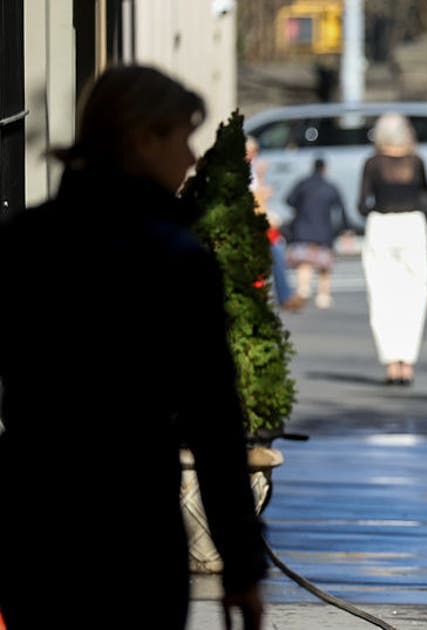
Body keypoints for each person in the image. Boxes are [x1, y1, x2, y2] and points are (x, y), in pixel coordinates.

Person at [0, 65, 266, 629]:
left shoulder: (23, 244)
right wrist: (242, 568)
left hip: (35, 529)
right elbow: (213, 421)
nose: (192, 158)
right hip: (134, 535)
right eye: (183, 137)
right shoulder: (174, 262)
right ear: (143, 139)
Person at [359, 112, 427, 385]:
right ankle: (407, 364)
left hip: (381, 225)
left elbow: (361, 203)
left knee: (382, 293)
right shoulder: (417, 161)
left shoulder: (372, 163)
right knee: (414, 292)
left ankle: (391, 363)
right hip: (412, 224)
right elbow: (425, 192)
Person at [246, 136, 304, 312]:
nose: (255, 155)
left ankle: (278, 295)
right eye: (252, 152)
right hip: (250, 223)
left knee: (275, 251)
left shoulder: (252, 170)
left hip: (256, 222)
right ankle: (281, 296)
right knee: (274, 251)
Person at [284, 157, 349, 309]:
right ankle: (323, 295)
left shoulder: (303, 184)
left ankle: (303, 289)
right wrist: (345, 229)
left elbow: (289, 200)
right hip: (324, 230)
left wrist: (301, 208)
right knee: (324, 264)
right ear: (325, 168)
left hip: (303, 228)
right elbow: (341, 210)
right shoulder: (330, 186)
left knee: (304, 262)